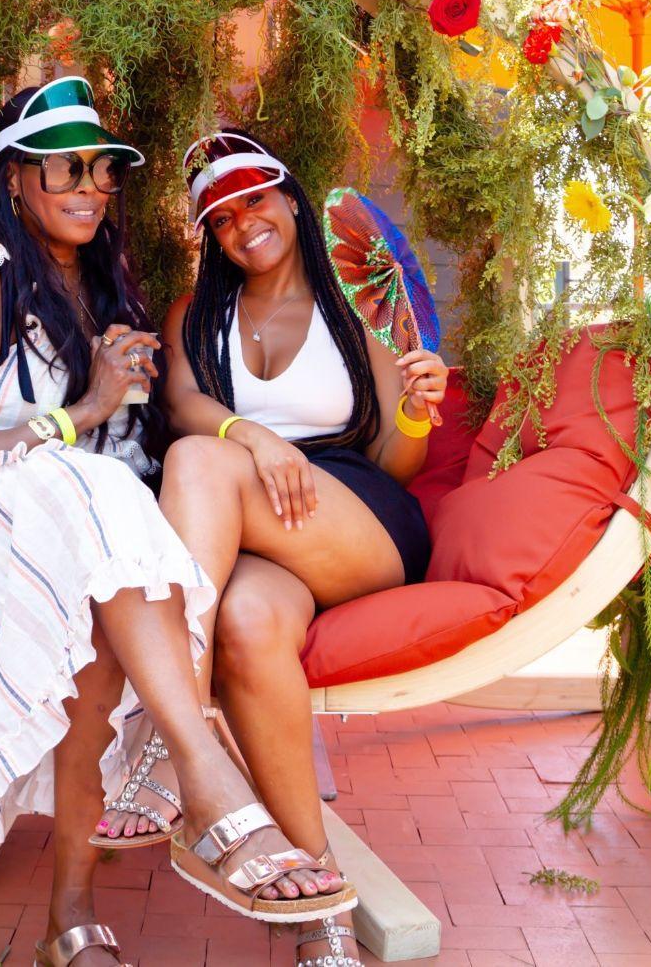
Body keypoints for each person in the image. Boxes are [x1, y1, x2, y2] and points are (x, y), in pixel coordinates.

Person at [0, 88, 355, 967]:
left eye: (104, 168)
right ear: (14, 179)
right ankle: (204, 770)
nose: (91, 185)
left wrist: (130, 419)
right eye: (66, 167)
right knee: (95, 509)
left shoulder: (104, 290)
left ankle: (68, 921)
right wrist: (83, 412)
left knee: (105, 615)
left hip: (71, 533)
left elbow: (124, 448)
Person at [91, 131, 448, 966]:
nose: (241, 222)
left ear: (290, 198)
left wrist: (417, 408)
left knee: (195, 461)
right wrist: (254, 436)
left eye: (254, 197)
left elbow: (398, 461)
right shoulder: (196, 315)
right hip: (248, 530)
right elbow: (184, 402)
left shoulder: (358, 308)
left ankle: (172, 741)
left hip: (352, 514)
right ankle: (319, 906)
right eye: (219, 217)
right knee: (249, 624)